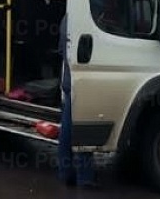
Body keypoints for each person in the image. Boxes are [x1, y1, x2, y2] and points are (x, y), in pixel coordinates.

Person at [57, 14, 97, 188]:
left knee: (67, 128)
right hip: (79, 79)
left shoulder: (67, 18)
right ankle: (84, 177)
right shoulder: (83, 18)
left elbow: (61, 49)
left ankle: (66, 172)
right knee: (83, 126)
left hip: (70, 78)